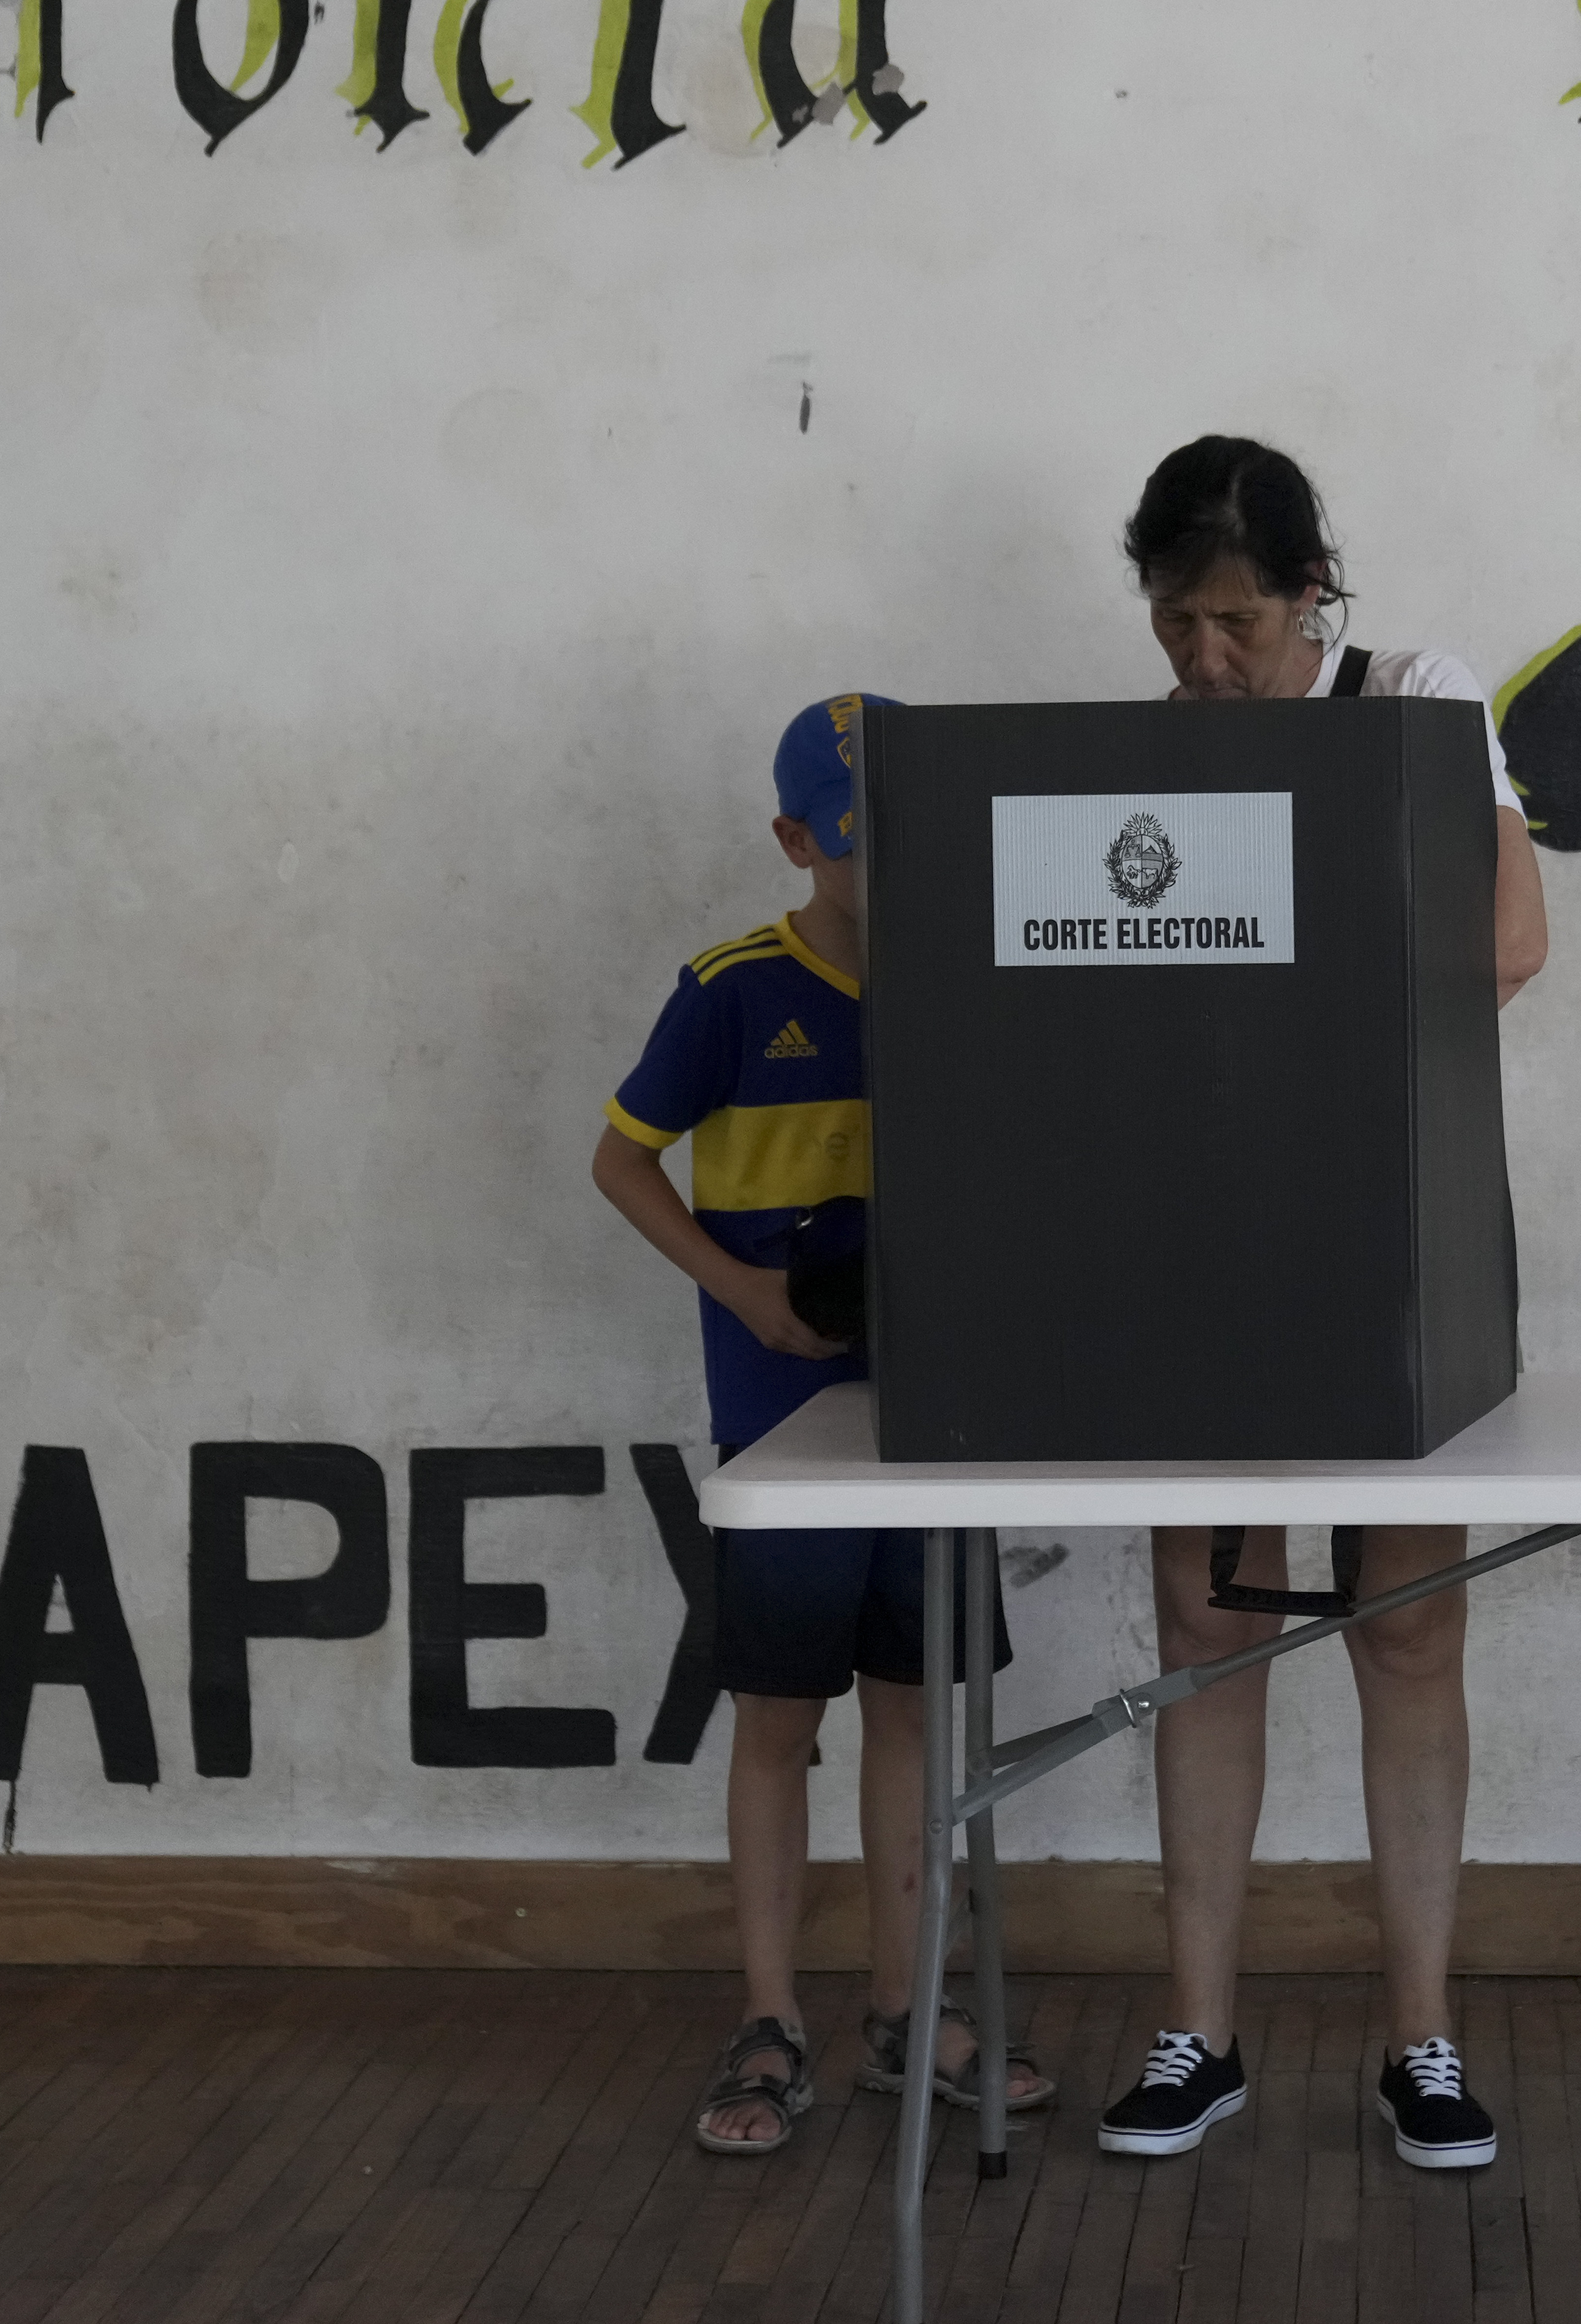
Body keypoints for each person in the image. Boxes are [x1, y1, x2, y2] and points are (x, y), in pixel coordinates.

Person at [1091, 437, 1548, 2173]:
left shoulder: (1412, 700)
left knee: (1407, 1628)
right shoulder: (1146, 756)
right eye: (1175, 621)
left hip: (1386, 1223)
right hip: (1205, 1226)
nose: (1205, 656)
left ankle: (1421, 2037)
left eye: (1235, 621)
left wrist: (1286, 999)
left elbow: (1509, 938)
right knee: (1202, 1624)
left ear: (1309, 597)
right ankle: (1196, 2034)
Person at [592, 693, 1054, 2155]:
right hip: (779, 1419)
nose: (889, 868)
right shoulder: (732, 991)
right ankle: (770, 2016)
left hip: (934, 1415)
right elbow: (620, 1159)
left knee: (914, 1710)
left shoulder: (977, 979)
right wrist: (740, 1289)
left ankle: (907, 2010)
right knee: (780, 1721)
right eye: (858, 843)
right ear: (797, 841)